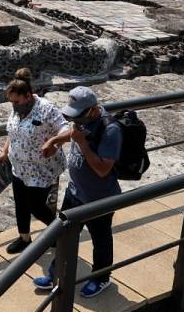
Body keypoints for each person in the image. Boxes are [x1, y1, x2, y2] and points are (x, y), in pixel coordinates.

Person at [34, 86, 122, 298]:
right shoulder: (82, 120)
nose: (76, 121)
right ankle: (56, 273)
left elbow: (103, 169)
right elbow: (72, 133)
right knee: (64, 236)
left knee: (100, 240)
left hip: (99, 199)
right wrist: (55, 141)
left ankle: (101, 278)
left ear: (92, 110)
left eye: (79, 115)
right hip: (75, 192)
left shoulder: (111, 131)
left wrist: (82, 143)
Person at [0, 68, 67, 254]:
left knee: (36, 206)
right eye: (11, 102)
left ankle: (61, 231)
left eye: (17, 101)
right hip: (19, 167)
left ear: (28, 96)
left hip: (40, 169)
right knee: (20, 203)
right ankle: (24, 238)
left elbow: (66, 130)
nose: (14, 105)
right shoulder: (16, 110)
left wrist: (53, 142)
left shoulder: (46, 109)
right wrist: (5, 151)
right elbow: (12, 132)